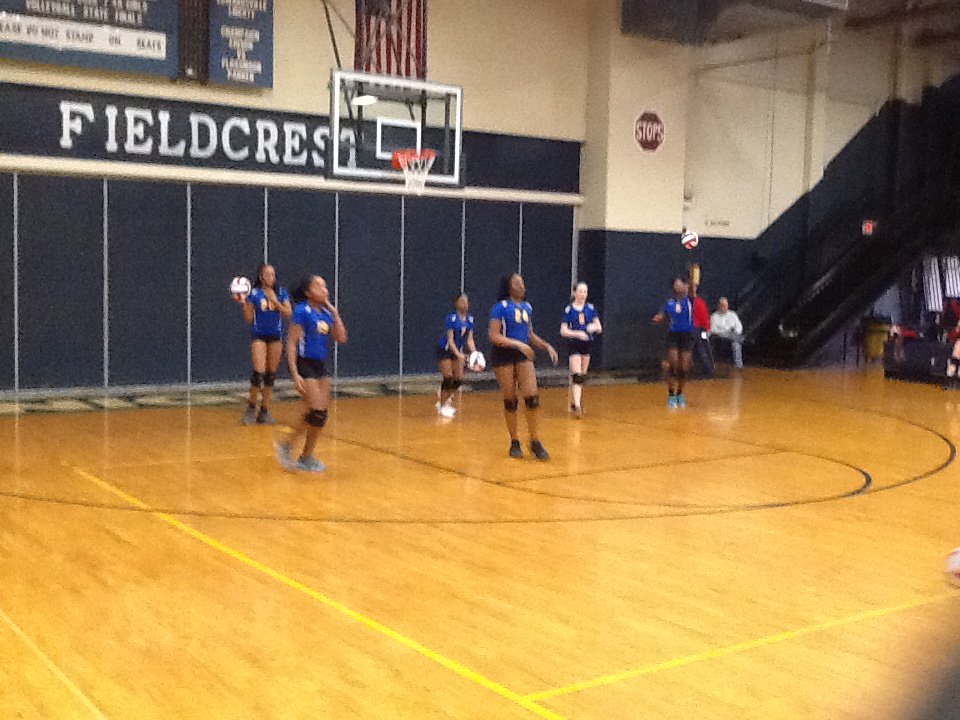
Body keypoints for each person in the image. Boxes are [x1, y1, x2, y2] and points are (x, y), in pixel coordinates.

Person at [274, 275, 347, 473]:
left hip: (319, 365)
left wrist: (334, 312)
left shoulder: (325, 313)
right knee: (316, 411)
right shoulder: (302, 311)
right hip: (304, 363)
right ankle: (288, 447)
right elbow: (291, 342)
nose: (324, 290)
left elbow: (341, 337)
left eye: (325, 286)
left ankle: (305, 455)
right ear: (308, 292)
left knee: (319, 415)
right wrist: (295, 373)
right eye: (319, 286)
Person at [489, 273, 558, 460]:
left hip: (523, 354)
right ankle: (514, 441)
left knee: (532, 397)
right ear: (509, 287)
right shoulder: (500, 308)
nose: (521, 285)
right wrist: (518, 344)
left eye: (522, 282)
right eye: (516, 283)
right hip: (504, 354)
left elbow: (529, 334)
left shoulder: (527, 307)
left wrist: (546, 345)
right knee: (511, 400)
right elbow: (494, 336)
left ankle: (535, 440)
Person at [235, 263, 292, 425]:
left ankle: (265, 410)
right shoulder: (254, 293)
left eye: (273, 275)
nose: (270, 278)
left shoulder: (281, 293)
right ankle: (252, 406)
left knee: (270, 375)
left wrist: (276, 301)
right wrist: (245, 305)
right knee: (258, 373)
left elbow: (288, 313)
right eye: (267, 275)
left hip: (275, 337)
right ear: (261, 277)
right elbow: (249, 319)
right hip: (259, 336)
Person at [559, 282, 602, 417]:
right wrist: (577, 333)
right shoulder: (569, 310)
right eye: (580, 291)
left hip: (587, 345)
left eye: (585, 291)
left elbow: (599, 327)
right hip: (574, 344)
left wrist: (592, 328)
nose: (583, 294)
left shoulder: (590, 308)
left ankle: (576, 400)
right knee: (577, 374)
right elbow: (563, 330)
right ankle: (577, 405)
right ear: (575, 293)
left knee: (582, 375)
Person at [653, 277, 695, 408]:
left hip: (687, 335)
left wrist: (694, 270)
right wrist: (659, 317)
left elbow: (694, 284)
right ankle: (671, 395)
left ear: (685, 285)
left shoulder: (690, 298)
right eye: (675, 284)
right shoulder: (669, 302)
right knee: (673, 365)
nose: (678, 286)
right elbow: (662, 314)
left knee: (684, 368)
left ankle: (680, 394)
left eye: (680, 284)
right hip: (673, 335)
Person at [436, 293, 476, 418]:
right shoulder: (451, 318)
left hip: (458, 350)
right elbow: (450, 339)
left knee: (458, 379)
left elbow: (469, 339)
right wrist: (459, 354)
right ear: (456, 303)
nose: (464, 304)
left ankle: (445, 397)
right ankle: (442, 405)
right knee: (448, 377)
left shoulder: (470, 319)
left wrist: (475, 353)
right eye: (461, 301)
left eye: (466, 301)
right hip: (446, 349)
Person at [710, 296, 744, 369]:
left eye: (726, 305)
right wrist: (724, 332)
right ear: (719, 306)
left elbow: (739, 327)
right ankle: (740, 339)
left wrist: (736, 332)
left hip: (731, 335)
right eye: (722, 305)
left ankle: (738, 365)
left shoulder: (733, 314)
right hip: (719, 337)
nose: (724, 307)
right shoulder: (714, 316)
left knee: (736, 344)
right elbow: (713, 329)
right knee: (737, 339)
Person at [690, 283, 715, 378]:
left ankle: (708, 369)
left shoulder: (698, 302)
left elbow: (704, 316)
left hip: (696, 329)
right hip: (695, 329)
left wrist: (707, 328)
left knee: (701, 349)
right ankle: (707, 369)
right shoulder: (696, 302)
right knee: (701, 349)